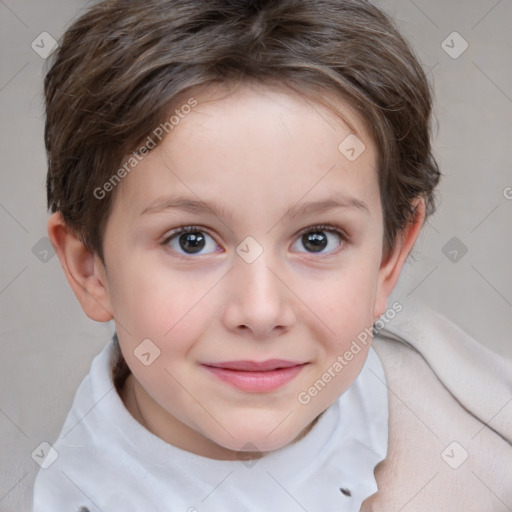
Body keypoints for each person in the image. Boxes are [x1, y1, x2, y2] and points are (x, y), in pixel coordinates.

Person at [32, 0, 512, 510]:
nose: (261, 312)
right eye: (191, 240)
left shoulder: (485, 453)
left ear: (388, 257)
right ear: (91, 270)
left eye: (316, 239)